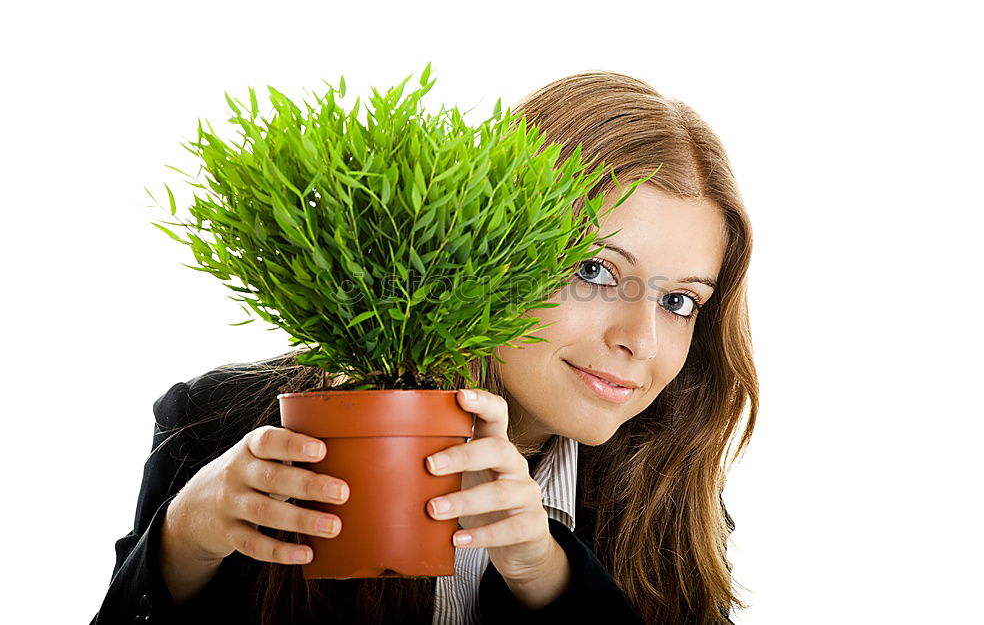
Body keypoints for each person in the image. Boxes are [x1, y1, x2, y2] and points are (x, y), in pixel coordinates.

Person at [91, 70, 758, 625]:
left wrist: (548, 573)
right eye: (593, 270)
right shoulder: (222, 424)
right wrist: (180, 544)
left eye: (678, 301)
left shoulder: (674, 489)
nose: (638, 341)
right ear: (486, 245)